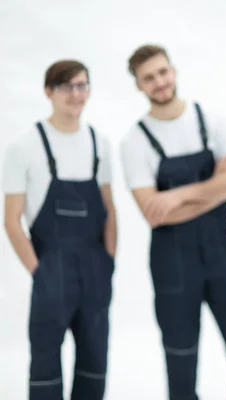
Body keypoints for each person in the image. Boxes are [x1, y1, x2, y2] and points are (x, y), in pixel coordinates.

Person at [119, 44, 226, 400]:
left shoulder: (212, 120)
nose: (159, 82)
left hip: (223, 253)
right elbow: (154, 215)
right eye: (148, 78)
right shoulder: (134, 142)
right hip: (172, 261)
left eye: (162, 72)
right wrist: (218, 187)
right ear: (139, 86)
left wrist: (175, 195)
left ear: (173, 71)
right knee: (181, 357)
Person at [2, 60, 117, 400]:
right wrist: (41, 273)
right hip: (52, 270)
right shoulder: (24, 147)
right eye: (67, 86)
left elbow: (110, 211)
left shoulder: (99, 143)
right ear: (48, 92)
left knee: (94, 365)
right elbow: (11, 220)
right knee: (45, 371)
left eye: (82, 85)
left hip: (95, 270)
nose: (76, 94)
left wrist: (108, 262)